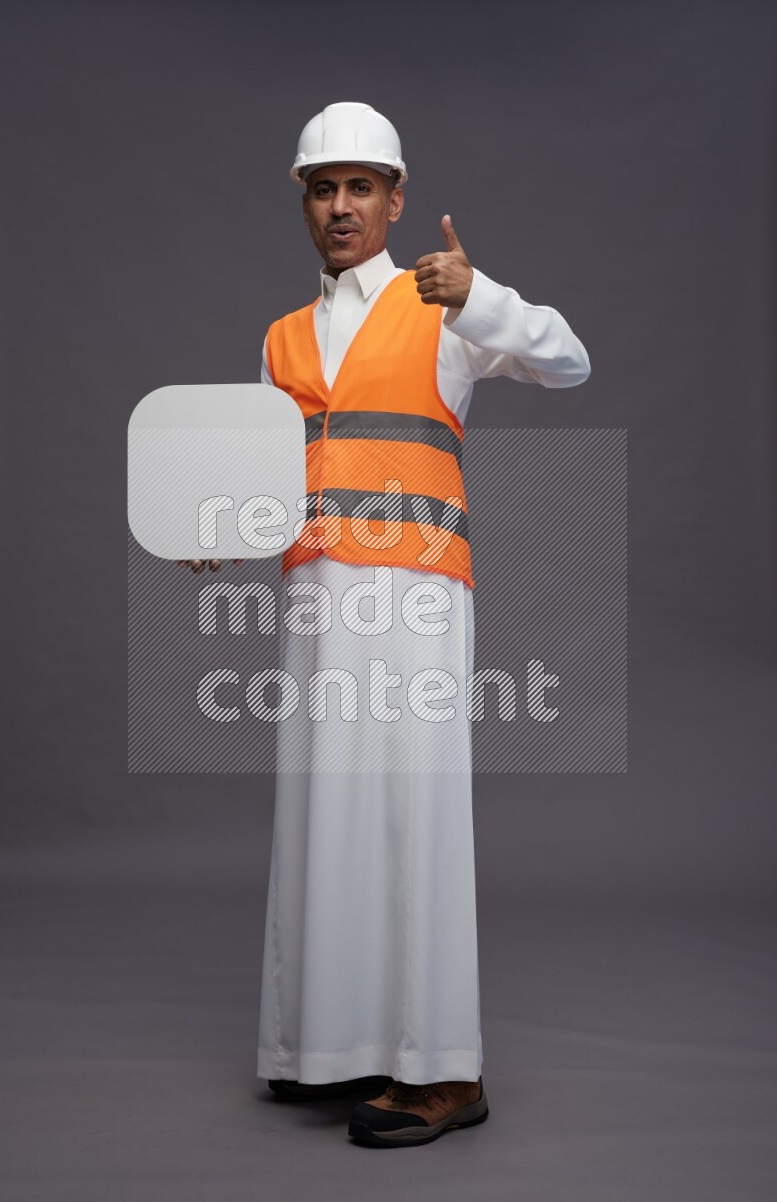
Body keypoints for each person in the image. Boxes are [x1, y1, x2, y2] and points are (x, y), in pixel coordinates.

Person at [186, 100, 590, 1147]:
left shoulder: (441, 302)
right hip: (317, 598)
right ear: (303, 202)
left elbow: (569, 361)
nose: (340, 205)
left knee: (413, 819)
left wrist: (486, 294)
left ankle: (443, 1070)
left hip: (413, 598)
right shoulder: (281, 338)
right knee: (326, 817)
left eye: (360, 185)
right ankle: (322, 1050)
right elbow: (279, 480)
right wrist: (218, 526)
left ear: (395, 199)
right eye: (322, 187)